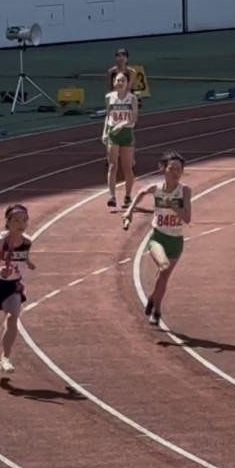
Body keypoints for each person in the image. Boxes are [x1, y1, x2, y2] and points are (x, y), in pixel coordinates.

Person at [121, 151, 191, 326]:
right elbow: (141, 193)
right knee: (164, 266)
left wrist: (174, 207)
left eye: (179, 169)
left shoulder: (184, 191)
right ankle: (157, 311)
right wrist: (129, 212)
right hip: (158, 238)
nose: (175, 173)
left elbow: (187, 218)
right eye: (172, 168)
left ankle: (154, 301)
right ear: (163, 169)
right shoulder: (157, 188)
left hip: (176, 241)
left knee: (164, 277)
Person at [0, 204, 36, 374]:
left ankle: (5, 358)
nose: (21, 224)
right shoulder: (1, 241)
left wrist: (28, 263)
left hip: (13, 286)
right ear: (8, 222)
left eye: (24, 220)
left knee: (12, 318)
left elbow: (23, 256)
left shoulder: (27, 241)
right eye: (17, 220)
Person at [101, 71, 138, 209]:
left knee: (127, 167)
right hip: (112, 134)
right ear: (113, 83)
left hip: (126, 133)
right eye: (118, 80)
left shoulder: (132, 98)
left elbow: (134, 118)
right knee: (112, 165)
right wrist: (105, 132)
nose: (120, 83)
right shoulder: (109, 97)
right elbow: (108, 115)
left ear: (127, 83)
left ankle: (128, 196)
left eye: (123, 81)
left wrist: (121, 125)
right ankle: (111, 195)